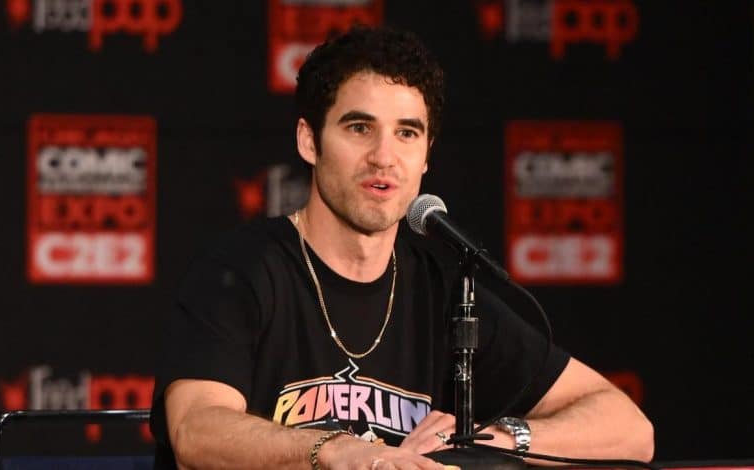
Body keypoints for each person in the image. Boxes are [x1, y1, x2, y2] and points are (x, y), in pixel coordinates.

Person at [150, 25, 654, 470]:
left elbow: (631, 430)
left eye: (407, 133)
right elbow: (197, 432)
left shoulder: (444, 289)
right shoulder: (242, 270)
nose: (384, 157)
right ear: (309, 141)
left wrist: (496, 443)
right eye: (359, 127)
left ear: (426, 156)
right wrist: (339, 451)